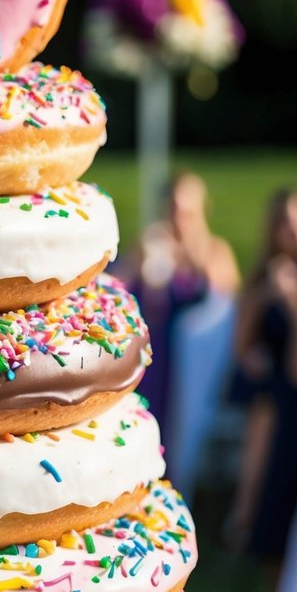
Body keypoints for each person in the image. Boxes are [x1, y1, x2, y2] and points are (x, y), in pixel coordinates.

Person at [128, 172, 240, 449]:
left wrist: (191, 254)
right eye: (174, 209)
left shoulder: (216, 251)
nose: (180, 218)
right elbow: (117, 288)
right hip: (157, 358)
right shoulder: (149, 247)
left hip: (193, 364)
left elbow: (226, 302)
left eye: (187, 211)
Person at [227, 189, 297, 592]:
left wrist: (292, 303)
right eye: (281, 225)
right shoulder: (263, 278)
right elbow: (244, 351)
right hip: (271, 402)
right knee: (271, 516)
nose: (288, 233)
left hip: (293, 399)